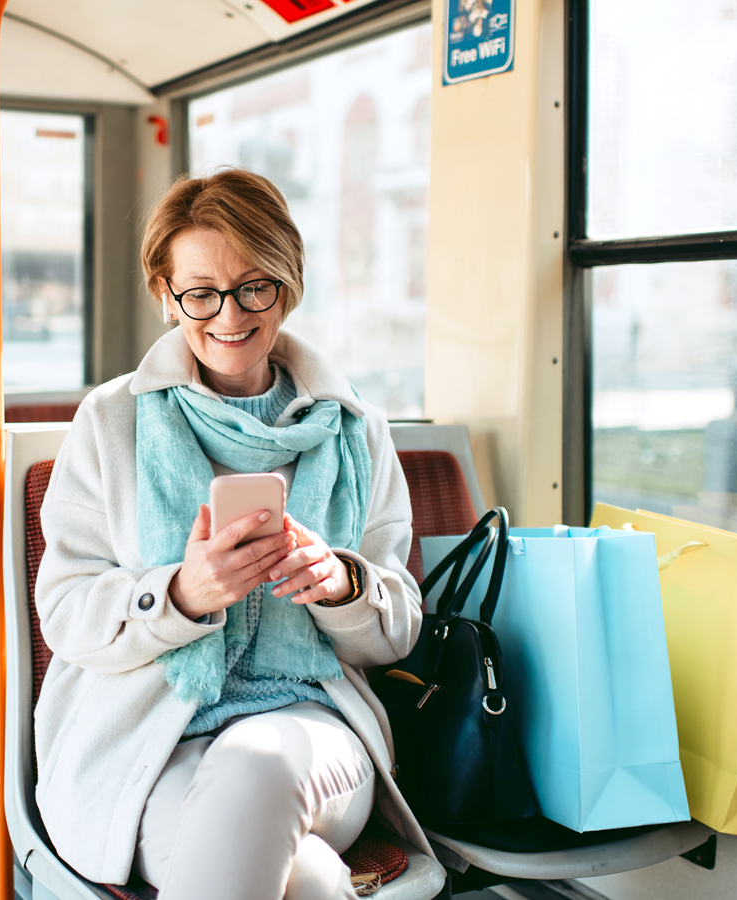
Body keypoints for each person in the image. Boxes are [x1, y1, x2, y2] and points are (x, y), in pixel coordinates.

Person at [34, 168, 443, 900]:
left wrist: (342, 585)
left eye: (254, 286)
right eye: (200, 293)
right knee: (308, 880)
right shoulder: (109, 422)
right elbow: (66, 614)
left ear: (287, 285)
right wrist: (182, 595)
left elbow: (400, 629)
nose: (229, 314)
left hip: (314, 732)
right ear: (165, 295)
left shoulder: (357, 432)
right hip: (153, 741)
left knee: (260, 761)